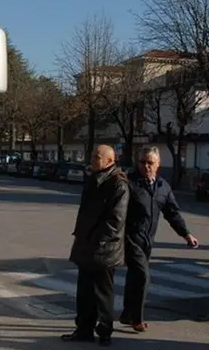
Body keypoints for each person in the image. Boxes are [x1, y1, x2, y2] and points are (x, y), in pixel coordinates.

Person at [120, 145, 199, 331]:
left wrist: (186, 234)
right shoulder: (128, 182)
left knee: (134, 277)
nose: (146, 166)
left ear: (158, 164)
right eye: (142, 162)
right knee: (142, 275)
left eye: (150, 163)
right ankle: (137, 319)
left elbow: (172, 213)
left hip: (147, 240)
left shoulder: (163, 187)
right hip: (129, 237)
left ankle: (126, 313)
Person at [62, 144, 129, 347]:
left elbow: (115, 221)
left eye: (96, 157)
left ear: (109, 161)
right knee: (84, 293)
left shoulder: (118, 184)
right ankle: (83, 330)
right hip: (87, 245)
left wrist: (98, 241)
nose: (91, 160)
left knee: (103, 293)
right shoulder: (94, 179)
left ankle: (105, 332)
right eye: (92, 156)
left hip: (104, 249)